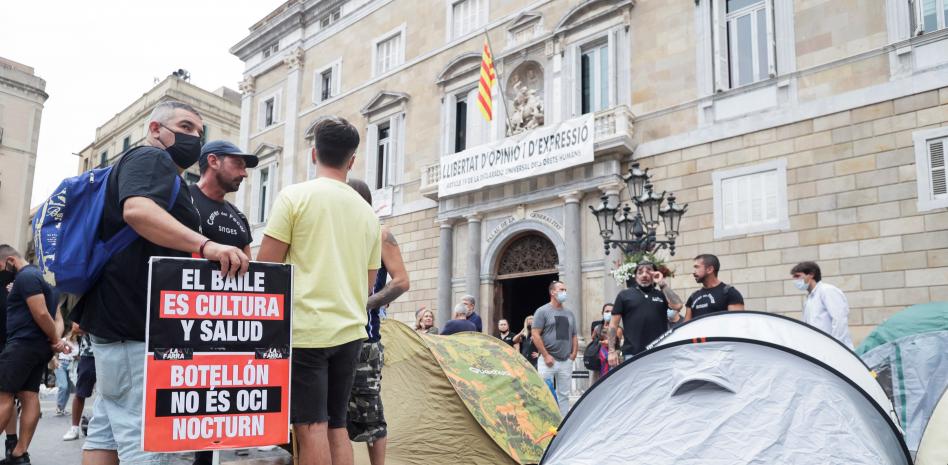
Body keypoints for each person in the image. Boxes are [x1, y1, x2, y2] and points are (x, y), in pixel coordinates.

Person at [73, 101, 249, 465]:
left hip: (116, 321)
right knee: (146, 441)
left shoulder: (151, 167)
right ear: (155, 129)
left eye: (200, 133)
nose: (194, 138)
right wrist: (206, 244)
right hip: (135, 323)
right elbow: (137, 210)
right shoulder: (152, 160)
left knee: (107, 430)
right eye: (185, 127)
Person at [257, 116, 381, 465]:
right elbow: (369, 281)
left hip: (305, 329)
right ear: (352, 160)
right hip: (351, 330)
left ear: (314, 154)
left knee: (309, 426)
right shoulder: (369, 214)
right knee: (337, 425)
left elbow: (268, 267)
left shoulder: (294, 197)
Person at [189, 140, 258, 465]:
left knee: (211, 416)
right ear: (213, 161)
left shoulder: (238, 216)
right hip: (181, 326)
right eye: (239, 164)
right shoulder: (182, 199)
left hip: (226, 332)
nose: (245, 173)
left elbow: (251, 270)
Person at [347, 178, 410, 465]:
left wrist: (366, 304)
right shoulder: (334, 236)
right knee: (333, 416)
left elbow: (402, 281)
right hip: (329, 335)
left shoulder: (380, 234)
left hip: (365, 339)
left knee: (371, 414)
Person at [0, 244, 70, 465]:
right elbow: (55, 317)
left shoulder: (26, 277)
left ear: (10, 261)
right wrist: (53, 341)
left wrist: (56, 340)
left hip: (22, 345)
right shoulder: (46, 282)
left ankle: (18, 451)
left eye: (0, 266)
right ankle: (19, 454)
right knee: (29, 395)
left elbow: (40, 313)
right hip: (37, 348)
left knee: (3, 396)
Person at [608, 263, 684, 368]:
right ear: (635, 276)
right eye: (640, 272)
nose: (644, 275)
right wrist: (611, 351)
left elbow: (678, 305)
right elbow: (613, 325)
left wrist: (662, 283)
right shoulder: (624, 295)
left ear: (654, 275)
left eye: (648, 272)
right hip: (632, 354)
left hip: (658, 353)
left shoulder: (661, 294)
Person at [531, 281, 578, 415]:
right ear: (553, 292)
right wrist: (546, 355)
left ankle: (562, 423)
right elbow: (535, 334)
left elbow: (574, 334)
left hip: (565, 361)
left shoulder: (569, 313)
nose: (565, 292)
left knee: (564, 395)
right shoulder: (542, 311)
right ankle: (546, 421)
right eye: (561, 289)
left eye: (565, 290)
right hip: (547, 361)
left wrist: (573, 354)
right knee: (545, 393)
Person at [791, 261, 854, 348]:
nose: (795, 280)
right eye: (793, 277)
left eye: (797, 276)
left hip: (835, 351)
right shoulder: (809, 299)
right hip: (819, 350)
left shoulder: (827, 291)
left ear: (811, 274)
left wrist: (835, 347)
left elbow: (839, 320)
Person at [685, 254, 744, 320]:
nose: (693, 272)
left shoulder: (730, 293)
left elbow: (737, 324)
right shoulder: (693, 296)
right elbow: (686, 327)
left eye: (697, 267)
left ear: (710, 269)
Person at [63, 323, 94, 442]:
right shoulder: (87, 304)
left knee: (110, 392)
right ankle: (74, 428)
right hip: (89, 353)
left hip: (111, 351)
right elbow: (76, 327)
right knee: (80, 392)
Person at [54, 329, 77, 416]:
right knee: (63, 386)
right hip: (61, 363)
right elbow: (55, 350)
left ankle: (62, 409)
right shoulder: (63, 340)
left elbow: (76, 354)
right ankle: (59, 407)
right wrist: (55, 359)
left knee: (68, 389)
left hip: (71, 366)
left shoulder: (78, 344)